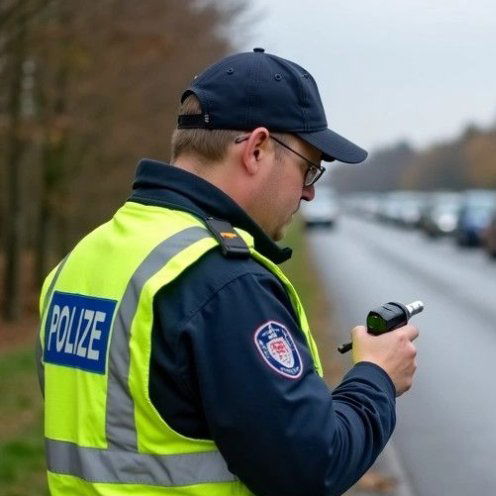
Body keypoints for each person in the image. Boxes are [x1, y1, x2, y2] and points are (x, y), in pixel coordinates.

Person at [35, 48, 419, 496]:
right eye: (308, 168)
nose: (310, 193)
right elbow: (312, 466)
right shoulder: (221, 282)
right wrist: (376, 376)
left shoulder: (81, 260)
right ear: (257, 149)